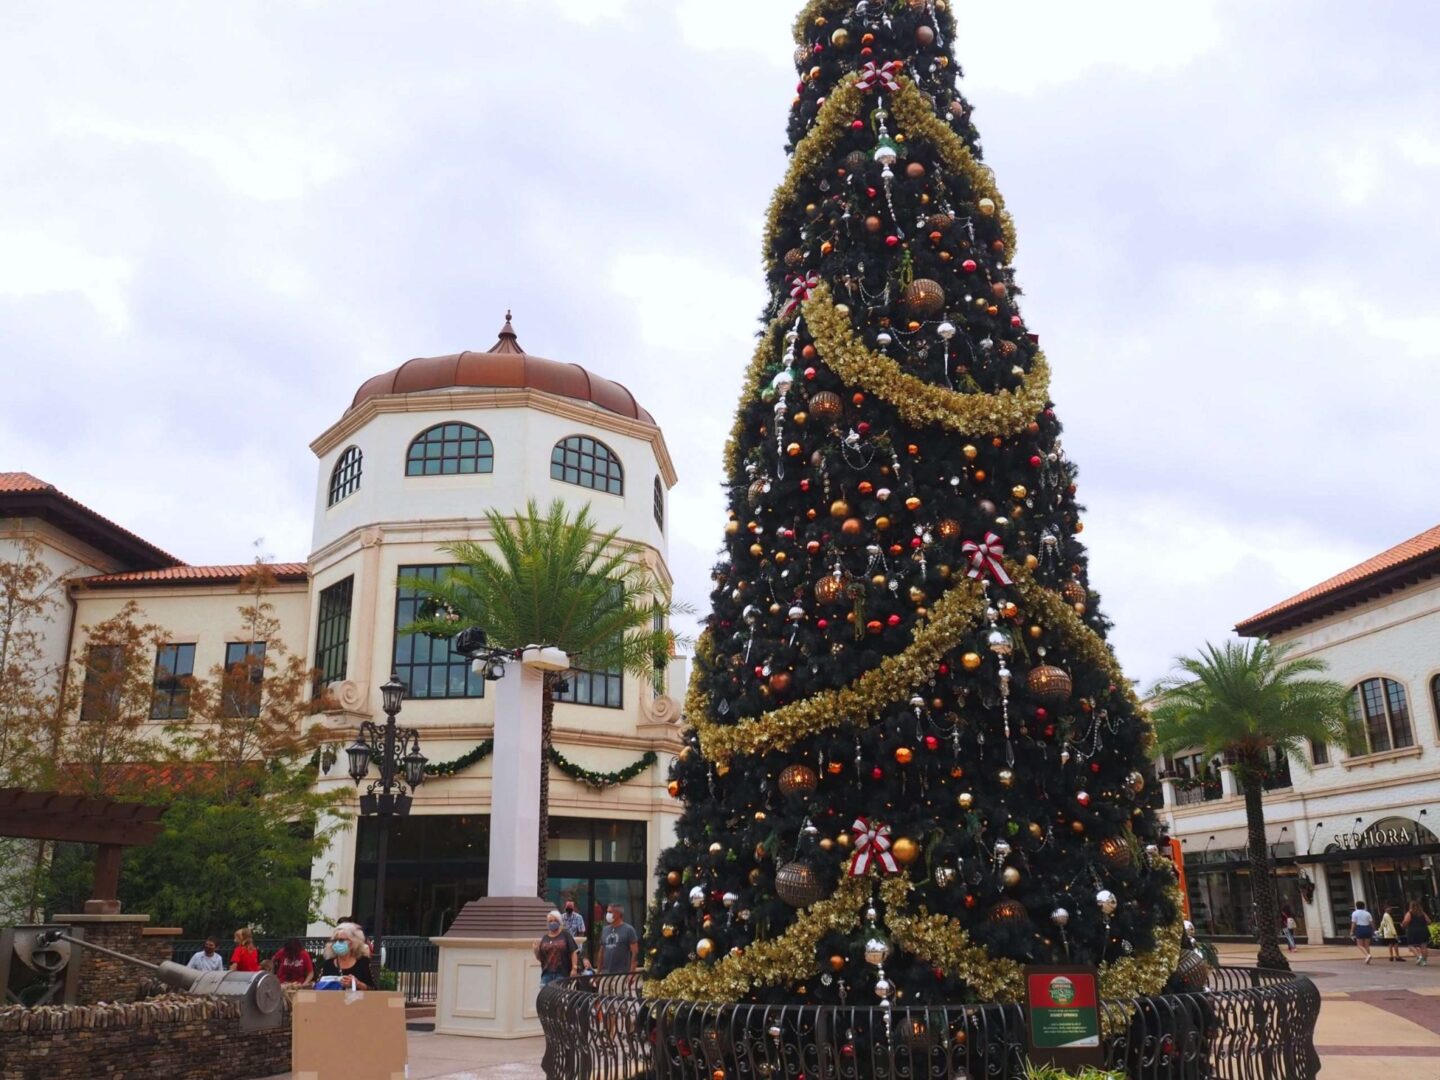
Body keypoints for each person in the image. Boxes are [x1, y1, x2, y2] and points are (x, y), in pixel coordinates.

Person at [317, 922, 374, 990]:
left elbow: (373, 989)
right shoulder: (328, 964)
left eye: (341, 940)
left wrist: (357, 984)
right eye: (335, 940)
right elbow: (318, 987)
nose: (337, 943)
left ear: (352, 942)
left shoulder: (363, 962)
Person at [534, 910, 581, 986]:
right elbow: (541, 958)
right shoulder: (545, 938)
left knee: (558, 996)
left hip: (561, 973)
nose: (552, 923)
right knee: (545, 996)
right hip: (547, 974)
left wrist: (574, 968)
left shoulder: (565, 935)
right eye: (550, 921)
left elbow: (573, 952)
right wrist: (536, 950)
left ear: (559, 921)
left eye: (555, 920)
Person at [599, 904, 639, 975]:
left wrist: (632, 973)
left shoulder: (629, 930)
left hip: (621, 974)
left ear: (618, 913)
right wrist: (598, 972)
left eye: (610, 912)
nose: (608, 914)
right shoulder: (605, 930)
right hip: (605, 974)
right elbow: (601, 952)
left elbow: (635, 953)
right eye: (607, 912)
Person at [1403, 901, 1431, 966]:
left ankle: (1419, 956)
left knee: (1411, 945)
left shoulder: (1409, 913)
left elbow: (1406, 921)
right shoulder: (1422, 913)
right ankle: (1424, 961)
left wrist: (1403, 925)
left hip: (1413, 931)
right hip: (1424, 930)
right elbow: (1429, 921)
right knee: (1424, 946)